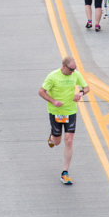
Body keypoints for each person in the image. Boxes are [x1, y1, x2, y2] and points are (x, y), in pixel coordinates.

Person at [38, 56, 89, 185]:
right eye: (71, 69)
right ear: (64, 66)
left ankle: (65, 172)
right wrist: (53, 101)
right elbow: (41, 92)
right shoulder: (52, 76)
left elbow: (87, 87)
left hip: (70, 111)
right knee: (57, 142)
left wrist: (81, 93)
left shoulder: (75, 75)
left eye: (74, 69)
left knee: (69, 141)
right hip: (56, 112)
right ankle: (52, 137)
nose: (73, 71)